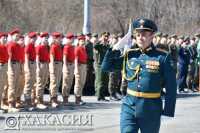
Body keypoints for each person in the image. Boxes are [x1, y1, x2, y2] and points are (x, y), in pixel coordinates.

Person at [102, 18, 177, 133]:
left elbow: (171, 86)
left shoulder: (162, 57)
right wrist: (115, 48)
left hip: (151, 109)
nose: (140, 38)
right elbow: (106, 67)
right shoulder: (130, 55)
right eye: (137, 35)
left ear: (152, 36)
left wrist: (168, 110)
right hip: (129, 106)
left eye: (144, 35)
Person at [7, 28, 22, 112]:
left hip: (17, 65)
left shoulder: (18, 46)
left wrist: (20, 69)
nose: (17, 37)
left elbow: (19, 58)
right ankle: (10, 104)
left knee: (16, 85)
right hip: (12, 65)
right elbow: (9, 58)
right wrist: (10, 69)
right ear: (12, 36)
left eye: (18, 36)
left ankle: (14, 103)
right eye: (16, 36)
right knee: (12, 86)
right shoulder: (11, 45)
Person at [35, 32, 50, 109]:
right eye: (45, 38)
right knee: (40, 83)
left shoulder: (46, 47)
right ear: (41, 39)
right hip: (40, 65)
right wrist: (38, 68)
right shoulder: (39, 47)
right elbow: (37, 58)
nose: (46, 39)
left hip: (46, 65)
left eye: (47, 38)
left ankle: (41, 99)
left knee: (44, 83)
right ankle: (38, 101)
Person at [49, 32, 63, 108]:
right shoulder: (53, 46)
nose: (60, 39)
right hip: (55, 64)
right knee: (53, 83)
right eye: (59, 38)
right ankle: (52, 100)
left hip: (59, 64)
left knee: (57, 83)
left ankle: (55, 98)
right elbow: (52, 57)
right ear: (55, 39)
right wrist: (52, 67)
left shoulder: (59, 46)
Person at [74, 35, 88, 105]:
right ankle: (77, 99)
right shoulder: (77, 48)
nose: (83, 42)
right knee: (78, 83)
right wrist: (76, 69)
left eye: (84, 41)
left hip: (84, 66)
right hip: (79, 66)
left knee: (82, 82)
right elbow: (76, 59)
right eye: (81, 41)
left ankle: (80, 97)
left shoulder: (83, 48)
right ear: (78, 42)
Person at [62, 32, 75, 105]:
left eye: (73, 39)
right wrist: (66, 67)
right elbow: (65, 58)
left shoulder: (72, 47)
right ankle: (65, 99)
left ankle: (67, 97)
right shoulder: (66, 46)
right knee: (66, 82)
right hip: (67, 65)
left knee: (69, 82)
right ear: (68, 39)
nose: (73, 40)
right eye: (71, 39)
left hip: (71, 65)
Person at [0, 32, 8, 113]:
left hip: (4, 66)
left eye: (6, 38)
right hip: (1, 65)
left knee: (2, 87)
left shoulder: (5, 47)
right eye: (3, 38)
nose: (5, 39)